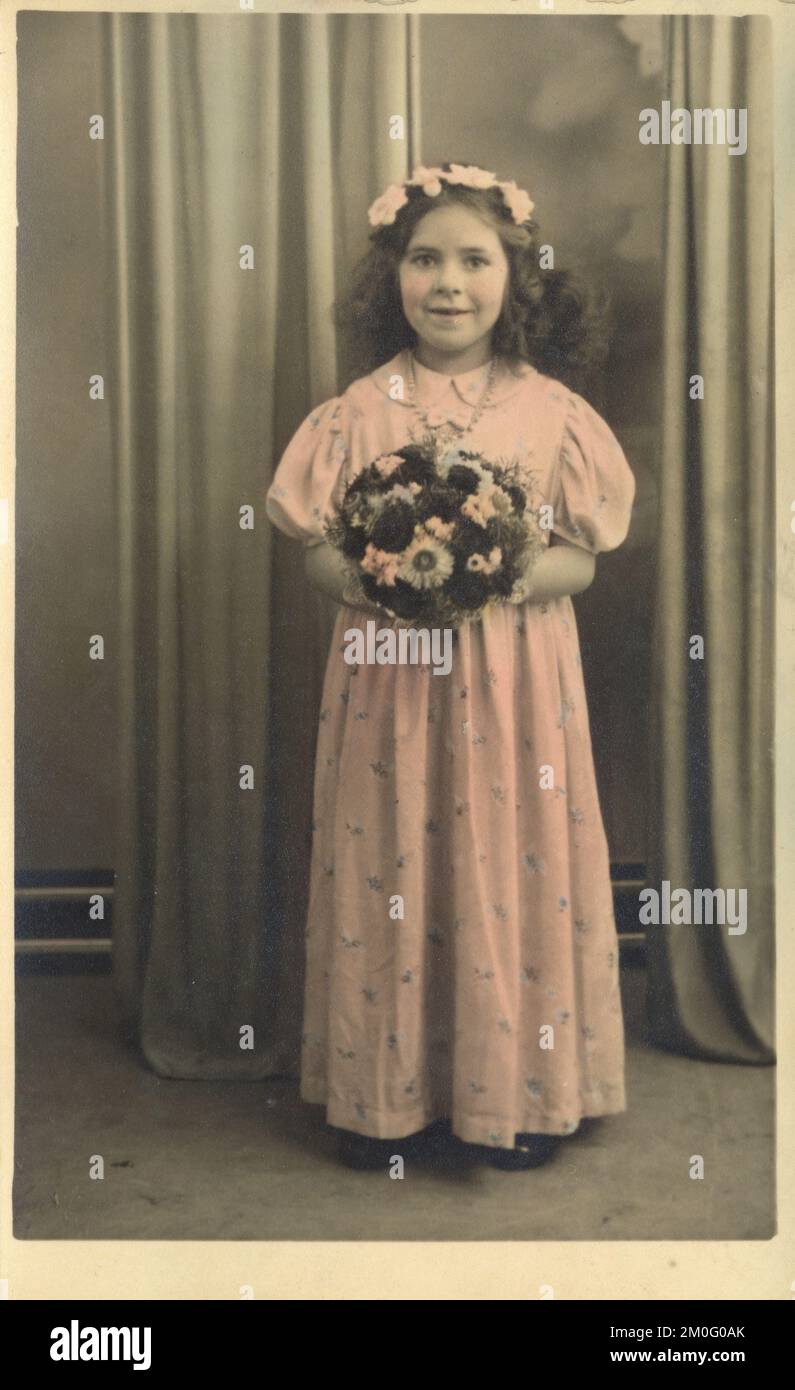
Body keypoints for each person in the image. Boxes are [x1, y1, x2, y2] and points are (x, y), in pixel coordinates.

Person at [266, 162, 636, 1172]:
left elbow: (583, 558)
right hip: (390, 677)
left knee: (508, 867)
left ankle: (512, 1092)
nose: (449, 283)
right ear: (392, 275)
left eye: (475, 260)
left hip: (516, 686)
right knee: (391, 860)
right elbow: (313, 550)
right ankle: (380, 1094)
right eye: (425, 258)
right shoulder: (358, 409)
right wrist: (383, 583)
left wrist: (498, 574)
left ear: (515, 277)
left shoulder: (550, 412)